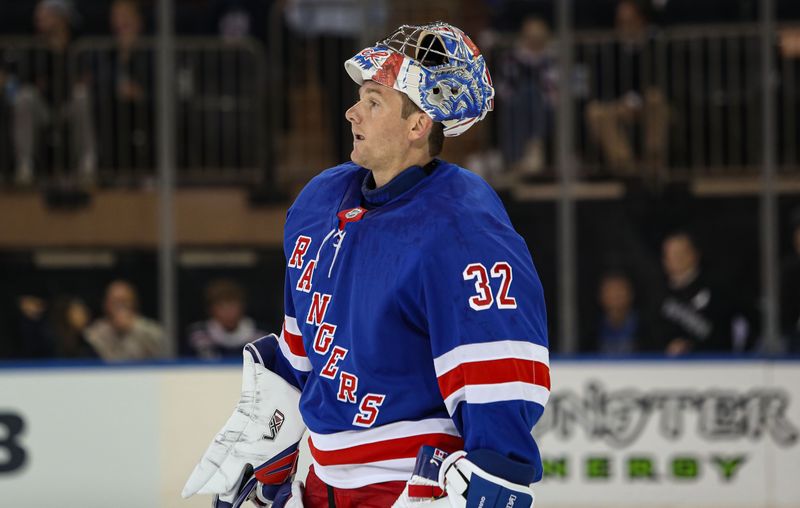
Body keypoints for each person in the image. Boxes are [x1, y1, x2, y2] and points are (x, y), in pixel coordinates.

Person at [183, 22, 550, 508]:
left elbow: (497, 378)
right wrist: (271, 450)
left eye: (375, 101)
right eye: (360, 96)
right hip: (321, 483)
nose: (353, 112)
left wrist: (494, 481)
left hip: (411, 487)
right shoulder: (319, 202)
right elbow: (303, 353)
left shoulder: (462, 226)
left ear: (419, 125)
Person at [10, 0, 96, 186]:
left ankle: (87, 165)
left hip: (67, 107)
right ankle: (25, 166)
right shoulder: (35, 47)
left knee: (81, 96)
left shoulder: (77, 47)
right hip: (43, 108)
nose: (38, 19)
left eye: (45, 15)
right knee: (25, 96)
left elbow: (82, 79)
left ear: (61, 18)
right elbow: (25, 79)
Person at [584, 0, 669, 178]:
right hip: (619, 106)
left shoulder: (656, 46)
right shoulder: (609, 50)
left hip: (650, 105)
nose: (623, 28)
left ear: (641, 21)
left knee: (655, 98)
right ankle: (627, 168)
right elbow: (601, 87)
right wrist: (621, 104)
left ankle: (654, 164)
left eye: (629, 22)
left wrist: (638, 101)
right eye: (620, 23)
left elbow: (665, 83)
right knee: (595, 111)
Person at [496, 16, 557, 180]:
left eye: (539, 38)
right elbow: (503, 86)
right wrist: (514, 99)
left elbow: (555, 86)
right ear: (525, 37)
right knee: (524, 96)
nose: (535, 42)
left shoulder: (551, 58)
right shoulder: (512, 57)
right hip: (516, 106)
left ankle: (532, 147)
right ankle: (522, 156)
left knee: (532, 93)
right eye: (531, 38)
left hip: (547, 107)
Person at [656, 231, 733, 355]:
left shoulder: (716, 292)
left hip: (707, 365)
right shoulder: (657, 293)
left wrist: (691, 347)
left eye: (681, 254)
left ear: (694, 255)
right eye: (672, 255)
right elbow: (647, 334)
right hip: (662, 367)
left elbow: (722, 335)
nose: (677, 259)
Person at [85, 279, 164, 361]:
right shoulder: (94, 333)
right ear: (106, 304)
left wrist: (133, 328)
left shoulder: (150, 330)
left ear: (134, 303)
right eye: (114, 302)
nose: (120, 306)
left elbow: (163, 354)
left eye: (124, 301)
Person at [187, 278, 266, 359]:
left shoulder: (259, 335)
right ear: (211, 309)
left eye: (233, 305)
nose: (228, 312)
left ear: (243, 307)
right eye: (222, 306)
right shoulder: (200, 334)